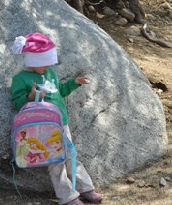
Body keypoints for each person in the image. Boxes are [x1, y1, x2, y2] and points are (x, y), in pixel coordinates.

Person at [10, 32, 103, 205]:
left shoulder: (50, 73)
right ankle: (67, 196)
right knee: (55, 160)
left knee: (70, 155)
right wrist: (30, 96)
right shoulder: (20, 79)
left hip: (60, 123)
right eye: (43, 64)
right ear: (33, 61)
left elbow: (60, 90)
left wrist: (74, 83)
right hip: (40, 127)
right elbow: (17, 102)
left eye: (48, 64)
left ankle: (85, 188)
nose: (47, 67)